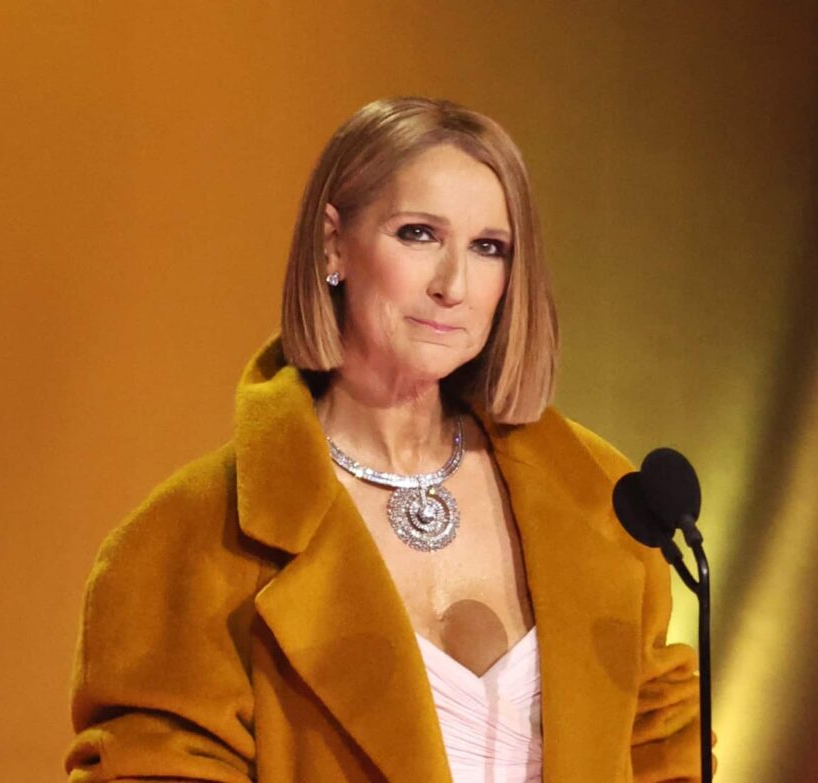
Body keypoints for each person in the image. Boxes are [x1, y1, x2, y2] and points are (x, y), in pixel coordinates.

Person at [65, 96, 706, 782]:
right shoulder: (189, 535)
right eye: (418, 234)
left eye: (488, 248)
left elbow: (662, 746)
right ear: (333, 244)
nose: (454, 285)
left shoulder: (599, 493)